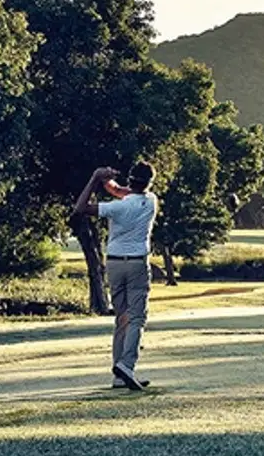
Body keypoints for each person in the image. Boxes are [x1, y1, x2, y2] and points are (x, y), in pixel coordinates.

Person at [73, 161, 159, 391]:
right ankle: (126, 366)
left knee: (122, 318)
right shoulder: (151, 201)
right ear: (149, 183)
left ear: (130, 180)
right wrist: (104, 179)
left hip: (113, 264)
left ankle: (119, 376)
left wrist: (96, 178)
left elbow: (81, 208)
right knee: (137, 318)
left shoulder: (116, 207)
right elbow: (120, 191)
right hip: (137, 264)